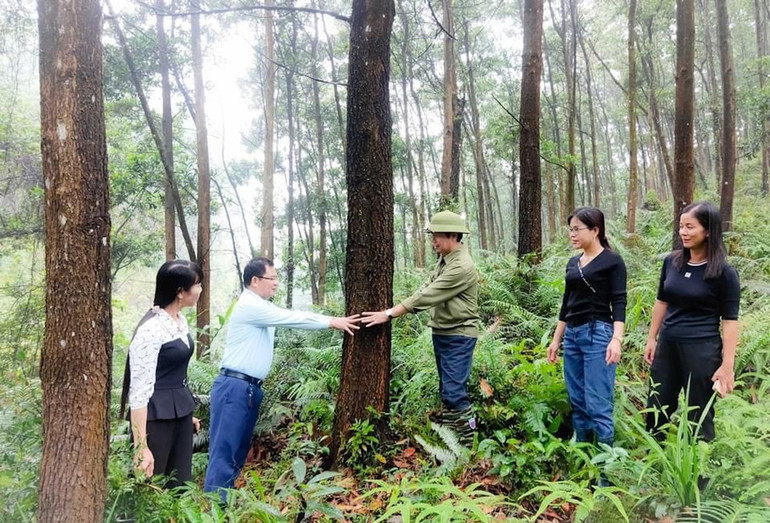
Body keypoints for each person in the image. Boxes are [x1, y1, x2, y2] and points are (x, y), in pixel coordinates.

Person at [204, 257, 360, 501]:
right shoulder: (250, 306)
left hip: (247, 390)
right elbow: (292, 318)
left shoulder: (260, 306)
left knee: (236, 451)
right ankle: (215, 508)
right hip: (234, 388)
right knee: (225, 451)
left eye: (277, 279)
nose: (276, 284)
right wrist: (331, 322)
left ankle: (224, 503)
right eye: (272, 278)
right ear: (255, 281)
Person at [362, 210, 479, 440]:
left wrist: (389, 313)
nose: (433, 240)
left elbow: (428, 296)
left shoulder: (461, 266)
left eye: (437, 235)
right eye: (432, 235)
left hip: (459, 335)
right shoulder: (445, 261)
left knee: (454, 393)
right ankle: (451, 440)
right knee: (447, 391)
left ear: (453, 234)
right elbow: (425, 287)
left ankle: (467, 444)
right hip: (444, 333)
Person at [644, 201, 739, 442]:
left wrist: (727, 365)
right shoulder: (672, 262)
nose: (683, 232)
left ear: (708, 230)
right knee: (657, 405)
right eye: (681, 227)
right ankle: (654, 467)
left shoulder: (724, 272)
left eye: (690, 227)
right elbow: (661, 301)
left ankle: (699, 473)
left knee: (699, 414)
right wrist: (652, 338)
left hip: (701, 349)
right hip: (667, 345)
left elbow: (729, 321)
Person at [547, 207, 626, 450]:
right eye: (570, 229)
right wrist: (556, 340)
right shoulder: (573, 263)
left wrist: (617, 339)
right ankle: (584, 457)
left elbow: (619, 301)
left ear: (595, 230)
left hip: (598, 334)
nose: (572, 234)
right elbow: (566, 303)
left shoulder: (612, 261)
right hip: (572, 335)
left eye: (577, 229)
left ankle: (605, 472)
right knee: (578, 400)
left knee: (598, 402)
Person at [119, 259, 203, 489]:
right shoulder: (151, 330)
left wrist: (185, 413)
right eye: (197, 285)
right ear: (180, 292)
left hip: (180, 416)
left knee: (179, 486)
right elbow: (139, 392)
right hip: (155, 421)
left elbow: (174, 373)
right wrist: (140, 447)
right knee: (151, 488)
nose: (200, 290)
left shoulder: (180, 321)